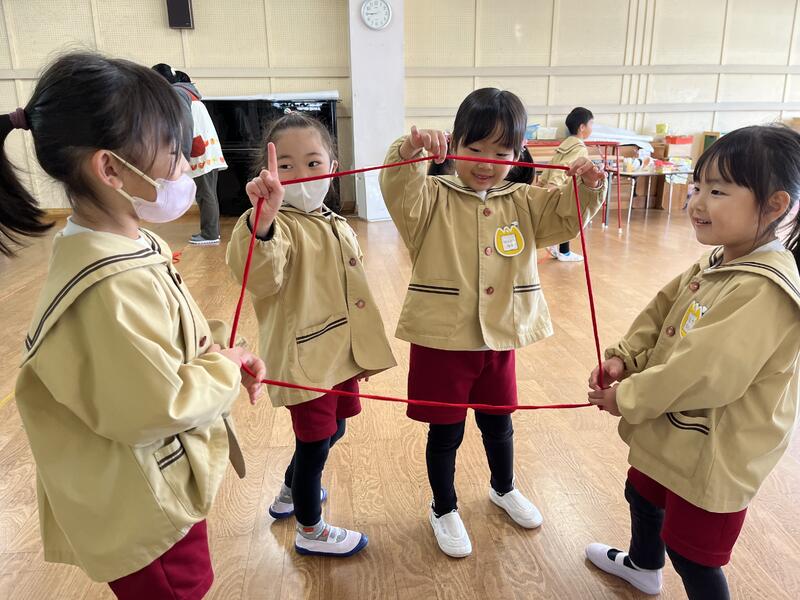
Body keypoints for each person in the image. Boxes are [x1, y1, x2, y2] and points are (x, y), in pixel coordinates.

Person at [2, 51, 266, 599]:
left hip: (154, 480)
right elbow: (157, 406)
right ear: (111, 169)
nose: (185, 164)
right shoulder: (108, 288)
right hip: (144, 507)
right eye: (172, 151)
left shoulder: (127, 239)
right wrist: (222, 368)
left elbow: (163, 338)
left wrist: (222, 349)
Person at [379, 88, 607, 558]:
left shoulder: (524, 201)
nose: (486, 162)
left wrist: (588, 185)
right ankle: (443, 507)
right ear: (455, 143)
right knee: (445, 431)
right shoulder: (430, 197)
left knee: (499, 422)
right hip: (442, 340)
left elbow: (567, 217)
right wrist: (409, 150)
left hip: (499, 337)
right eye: (475, 148)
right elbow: (398, 186)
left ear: (518, 154)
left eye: (501, 153)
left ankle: (504, 488)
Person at [585, 125, 800, 599]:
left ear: (774, 206)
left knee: (692, 554)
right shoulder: (720, 260)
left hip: (715, 451)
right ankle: (643, 567)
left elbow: (702, 372)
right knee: (642, 494)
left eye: (718, 191)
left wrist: (626, 397)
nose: (697, 202)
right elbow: (662, 309)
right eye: (698, 186)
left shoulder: (764, 289)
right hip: (675, 429)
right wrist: (624, 358)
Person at [227, 112, 396, 557]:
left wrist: (360, 352)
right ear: (267, 174)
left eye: (313, 162)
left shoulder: (334, 221)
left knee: (334, 429)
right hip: (305, 363)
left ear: (333, 167)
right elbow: (260, 275)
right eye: (285, 166)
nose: (301, 174)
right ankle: (310, 527)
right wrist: (263, 221)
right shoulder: (274, 225)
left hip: (337, 356)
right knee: (315, 445)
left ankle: (290, 488)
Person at [152, 63, 226, 246]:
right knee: (207, 192)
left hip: (199, 149)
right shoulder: (187, 91)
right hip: (206, 148)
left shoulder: (177, 93)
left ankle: (210, 234)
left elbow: (184, 125)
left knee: (205, 193)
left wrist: (182, 156)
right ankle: (211, 232)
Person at [540, 106, 595, 262]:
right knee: (571, 218)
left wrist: (543, 181)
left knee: (562, 218)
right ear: (582, 127)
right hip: (564, 189)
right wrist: (552, 185)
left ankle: (558, 247)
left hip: (554, 186)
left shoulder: (565, 144)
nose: (592, 128)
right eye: (591, 124)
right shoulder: (579, 148)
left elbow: (552, 164)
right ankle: (563, 251)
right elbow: (564, 167)